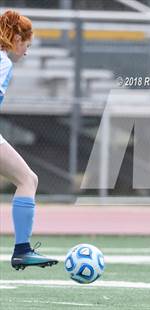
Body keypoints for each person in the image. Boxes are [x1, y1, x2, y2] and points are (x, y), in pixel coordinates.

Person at [0, 10, 58, 270]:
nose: (27, 50)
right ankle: (22, 250)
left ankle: (23, 249)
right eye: (27, 44)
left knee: (28, 179)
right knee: (27, 179)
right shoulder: (3, 63)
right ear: (16, 38)